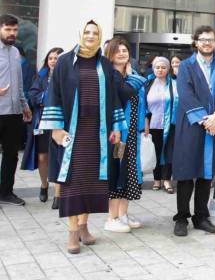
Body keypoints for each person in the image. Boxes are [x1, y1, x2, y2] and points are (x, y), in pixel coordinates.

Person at [39, 20, 125, 253]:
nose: (90, 36)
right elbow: (53, 95)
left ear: (100, 36)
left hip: (98, 134)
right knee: (73, 183)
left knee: (92, 183)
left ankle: (85, 227)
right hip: (72, 133)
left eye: (94, 33)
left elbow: (114, 97)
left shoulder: (105, 64)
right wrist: (56, 128)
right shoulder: (66, 62)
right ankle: (72, 233)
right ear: (80, 34)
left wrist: (116, 127)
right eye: (86, 32)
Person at [171, 26, 215, 237]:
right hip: (190, 126)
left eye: (211, 40)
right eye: (203, 39)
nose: (207, 43)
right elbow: (186, 94)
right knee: (187, 172)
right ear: (196, 42)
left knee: (206, 173)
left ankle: (201, 216)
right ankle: (181, 217)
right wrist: (204, 120)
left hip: (214, 125)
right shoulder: (186, 67)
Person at [104, 38, 148, 233]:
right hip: (117, 135)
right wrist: (132, 77)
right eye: (117, 50)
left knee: (129, 173)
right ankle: (111, 218)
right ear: (110, 54)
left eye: (125, 50)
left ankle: (122, 214)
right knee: (116, 172)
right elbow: (126, 92)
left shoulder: (130, 74)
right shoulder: (111, 75)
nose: (122, 53)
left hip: (131, 133)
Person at [22, 47, 63, 205]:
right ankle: (44, 185)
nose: (53, 61)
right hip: (42, 123)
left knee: (59, 157)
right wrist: (46, 96)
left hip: (60, 123)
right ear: (47, 61)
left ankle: (58, 195)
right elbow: (33, 97)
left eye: (57, 58)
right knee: (42, 157)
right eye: (51, 58)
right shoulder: (40, 77)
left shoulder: (67, 77)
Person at [0, 14, 32, 206]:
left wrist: (24, 105)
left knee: (11, 155)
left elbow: (18, 83)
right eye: (8, 29)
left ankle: (5, 192)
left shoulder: (15, 53)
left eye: (14, 30)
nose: (12, 33)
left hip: (13, 113)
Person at [144, 56, 177, 194]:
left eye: (163, 67)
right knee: (156, 152)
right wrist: (146, 126)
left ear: (168, 69)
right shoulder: (148, 84)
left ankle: (167, 180)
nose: (160, 70)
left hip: (171, 124)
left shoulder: (174, 84)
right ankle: (157, 180)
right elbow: (144, 107)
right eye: (157, 67)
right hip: (153, 125)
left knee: (169, 153)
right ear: (153, 68)